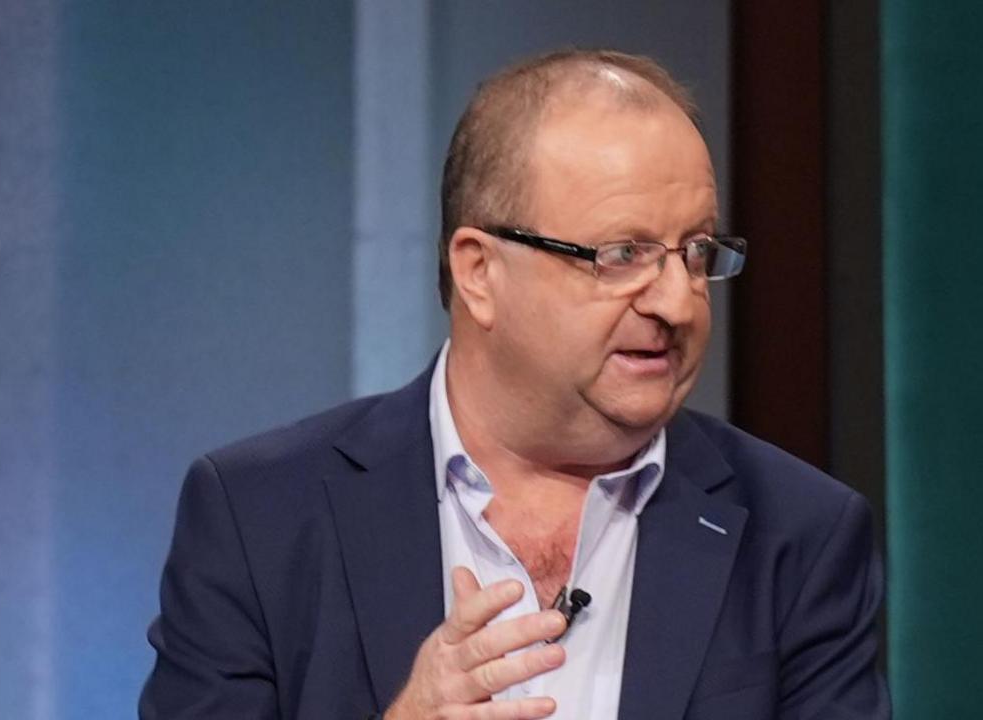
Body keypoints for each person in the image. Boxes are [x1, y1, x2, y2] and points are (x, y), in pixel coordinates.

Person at [140, 49, 889, 720]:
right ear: (479, 272)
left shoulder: (801, 536)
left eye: (696, 252)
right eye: (623, 253)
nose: (676, 301)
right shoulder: (259, 517)